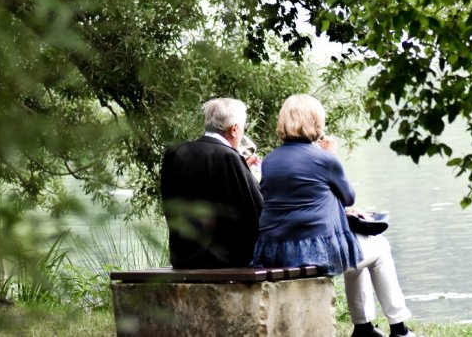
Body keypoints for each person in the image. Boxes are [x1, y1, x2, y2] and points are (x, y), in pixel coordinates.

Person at [251, 94, 415, 337]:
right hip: (313, 253)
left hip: (276, 251)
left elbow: (293, 197)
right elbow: (348, 197)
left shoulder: (271, 160)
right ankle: (399, 327)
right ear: (316, 121)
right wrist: (332, 156)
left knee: (357, 251)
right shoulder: (325, 159)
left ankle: (364, 327)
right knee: (379, 247)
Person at [160, 98, 263, 268]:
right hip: (224, 260)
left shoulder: (175, 153)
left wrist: (243, 168)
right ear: (235, 129)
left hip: (183, 257)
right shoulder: (229, 157)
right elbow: (255, 210)